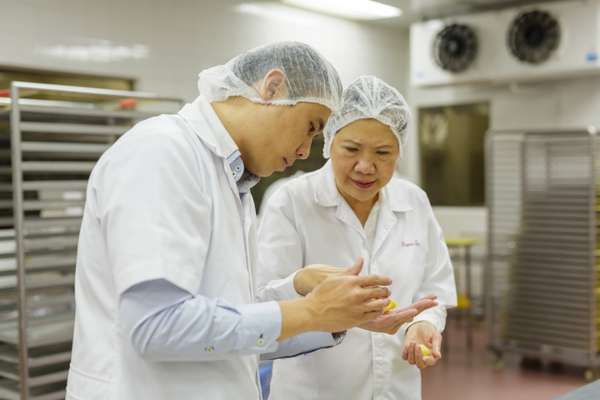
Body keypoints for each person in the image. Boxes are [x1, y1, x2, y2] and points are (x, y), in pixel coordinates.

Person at [65, 43, 399, 400]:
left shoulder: (231, 181)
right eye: (310, 128)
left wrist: (319, 306)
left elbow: (229, 322)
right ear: (273, 88)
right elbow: (156, 325)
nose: (305, 151)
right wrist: (309, 311)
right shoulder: (162, 151)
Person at [257, 75, 458, 400]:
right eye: (351, 149)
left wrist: (424, 324)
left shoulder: (413, 200)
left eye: (382, 152)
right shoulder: (292, 201)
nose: (365, 166)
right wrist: (307, 287)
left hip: (397, 389)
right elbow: (263, 298)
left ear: (399, 152)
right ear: (330, 142)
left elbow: (434, 287)